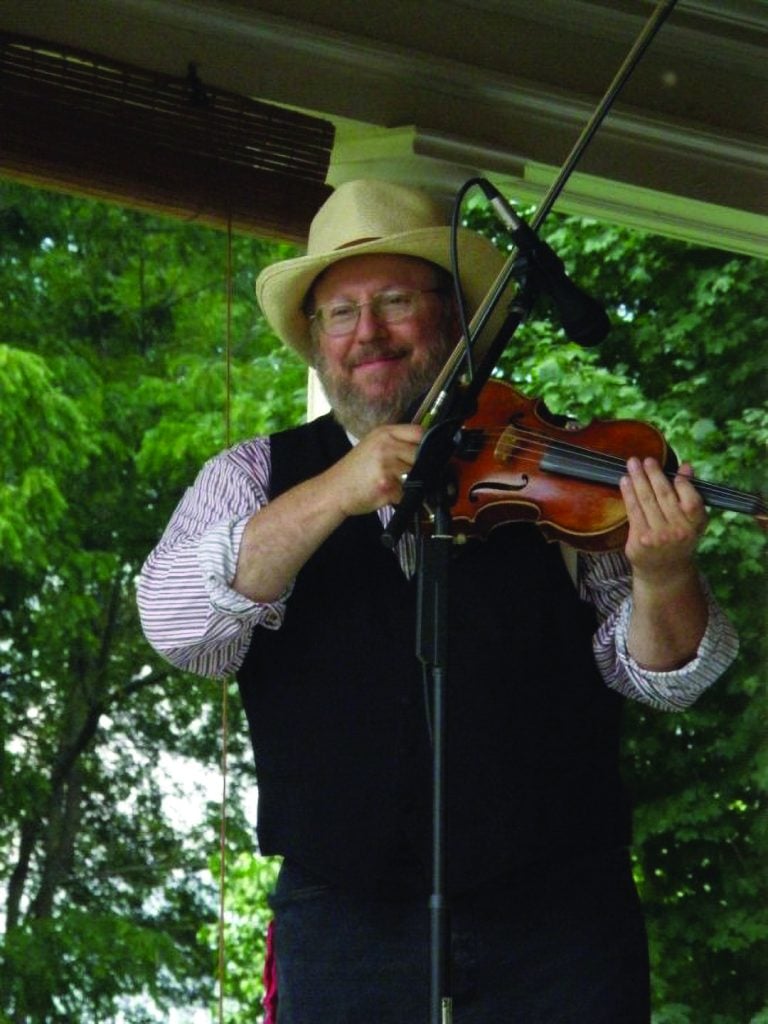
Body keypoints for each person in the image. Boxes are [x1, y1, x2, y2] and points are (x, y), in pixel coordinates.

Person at [137, 179, 738, 1023]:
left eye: (394, 302)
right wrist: (337, 490)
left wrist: (665, 575)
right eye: (340, 313)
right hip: (344, 914)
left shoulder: (557, 469)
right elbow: (176, 628)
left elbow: (668, 680)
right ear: (316, 341)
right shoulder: (251, 476)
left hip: (559, 914)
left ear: (455, 318)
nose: (368, 332)